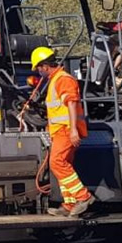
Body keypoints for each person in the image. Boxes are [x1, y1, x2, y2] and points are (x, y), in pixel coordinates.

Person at [30, 46, 94, 217]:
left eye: (38, 67)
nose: (37, 71)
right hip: (60, 131)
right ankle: (69, 205)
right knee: (64, 166)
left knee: (57, 163)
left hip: (66, 131)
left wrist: (73, 130)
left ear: (44, 65)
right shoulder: (56, 79)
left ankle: (83, 197)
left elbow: (71, 104)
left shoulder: (63, 79)